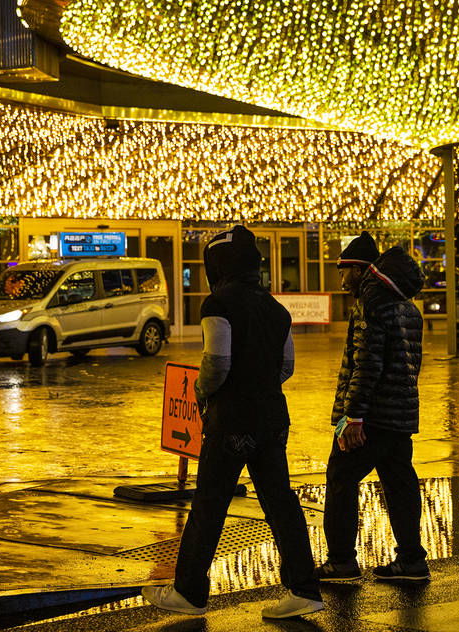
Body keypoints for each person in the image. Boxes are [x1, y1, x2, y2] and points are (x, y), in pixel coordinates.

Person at [142, 225, 323, 619]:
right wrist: (259, 385)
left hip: (231, 421)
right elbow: (286, 365)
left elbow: (217, 362)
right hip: (273, 417)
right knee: (280, 502)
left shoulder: (217, 304)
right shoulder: (277, 309)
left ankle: (190, 592)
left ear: (216, 265)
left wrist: (203, 393)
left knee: (209, 504)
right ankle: (304, 588)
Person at [314, 237, 429, 583]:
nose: (342, 282)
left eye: (344, 272)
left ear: (361, 270)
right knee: (399, 483)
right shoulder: (408, 307)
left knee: (340, 479)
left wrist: (353, 416)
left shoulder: (371, 304)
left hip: (372, 418)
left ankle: (342, 562)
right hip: (400, 415)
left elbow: (367, 365)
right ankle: (411, 560)